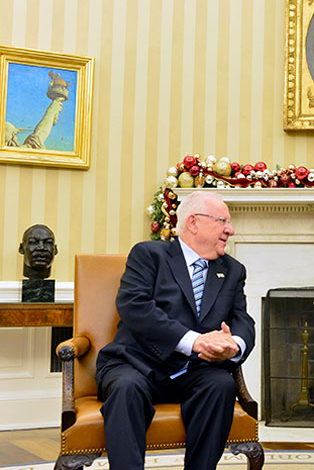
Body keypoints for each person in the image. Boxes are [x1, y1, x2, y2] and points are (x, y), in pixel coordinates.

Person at [96, 191, 255, 470]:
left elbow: (242, 318)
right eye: (223, 221)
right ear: (193, 223)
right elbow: (134, 306)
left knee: (220, 385)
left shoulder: (232, 269)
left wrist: (235, 345)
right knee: (126, 389)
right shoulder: (149, 255)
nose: (230, 230)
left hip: (195, 370)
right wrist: (195, 342)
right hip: (137, 363)